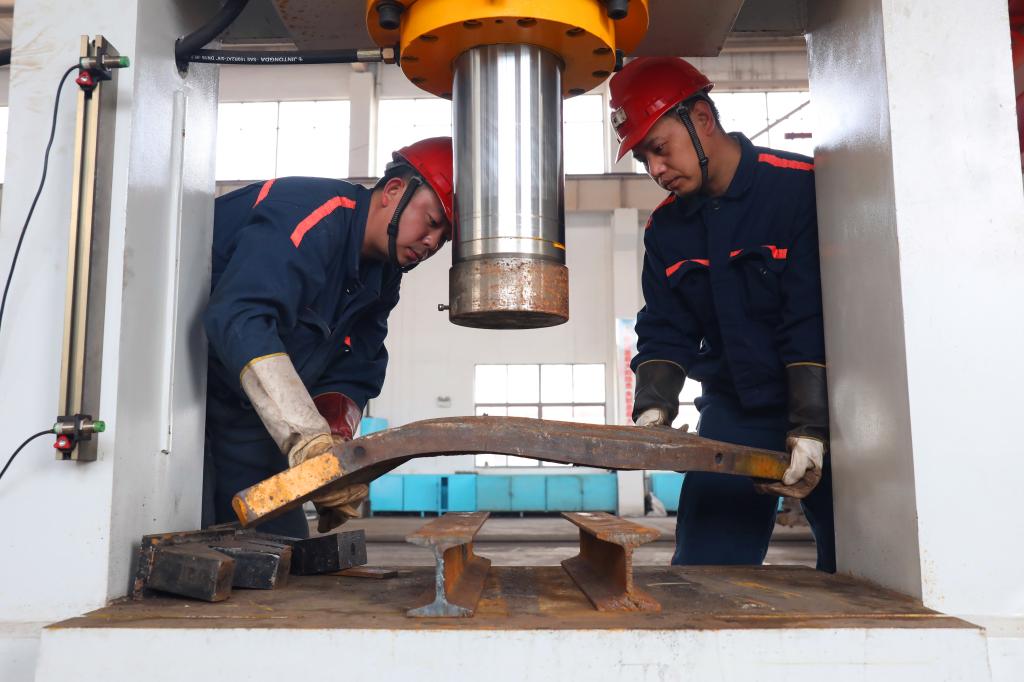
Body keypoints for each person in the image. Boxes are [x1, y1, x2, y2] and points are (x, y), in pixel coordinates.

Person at [609, 58, 835, 572]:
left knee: (862, 566)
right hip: (736, 412)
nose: (655, 170)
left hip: (833, 408)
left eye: (660, 148)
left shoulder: (800, 188)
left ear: (702, 119)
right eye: (643, 159)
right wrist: (653, 409)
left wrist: (812, 426)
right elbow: (666, 327)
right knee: (705, 573)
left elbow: (809, 316)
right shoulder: (666, 230)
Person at [202, 137, 454, 538]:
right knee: (185, 534)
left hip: (245, 420)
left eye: (444, 239)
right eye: (432, 221)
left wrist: (332, 452)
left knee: (283, 547)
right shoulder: (310, 214)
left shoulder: (382, 277)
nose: (432, 243)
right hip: (184, 408)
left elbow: (356, 367)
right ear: (393, 191)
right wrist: (307, 439)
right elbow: (241, 317)